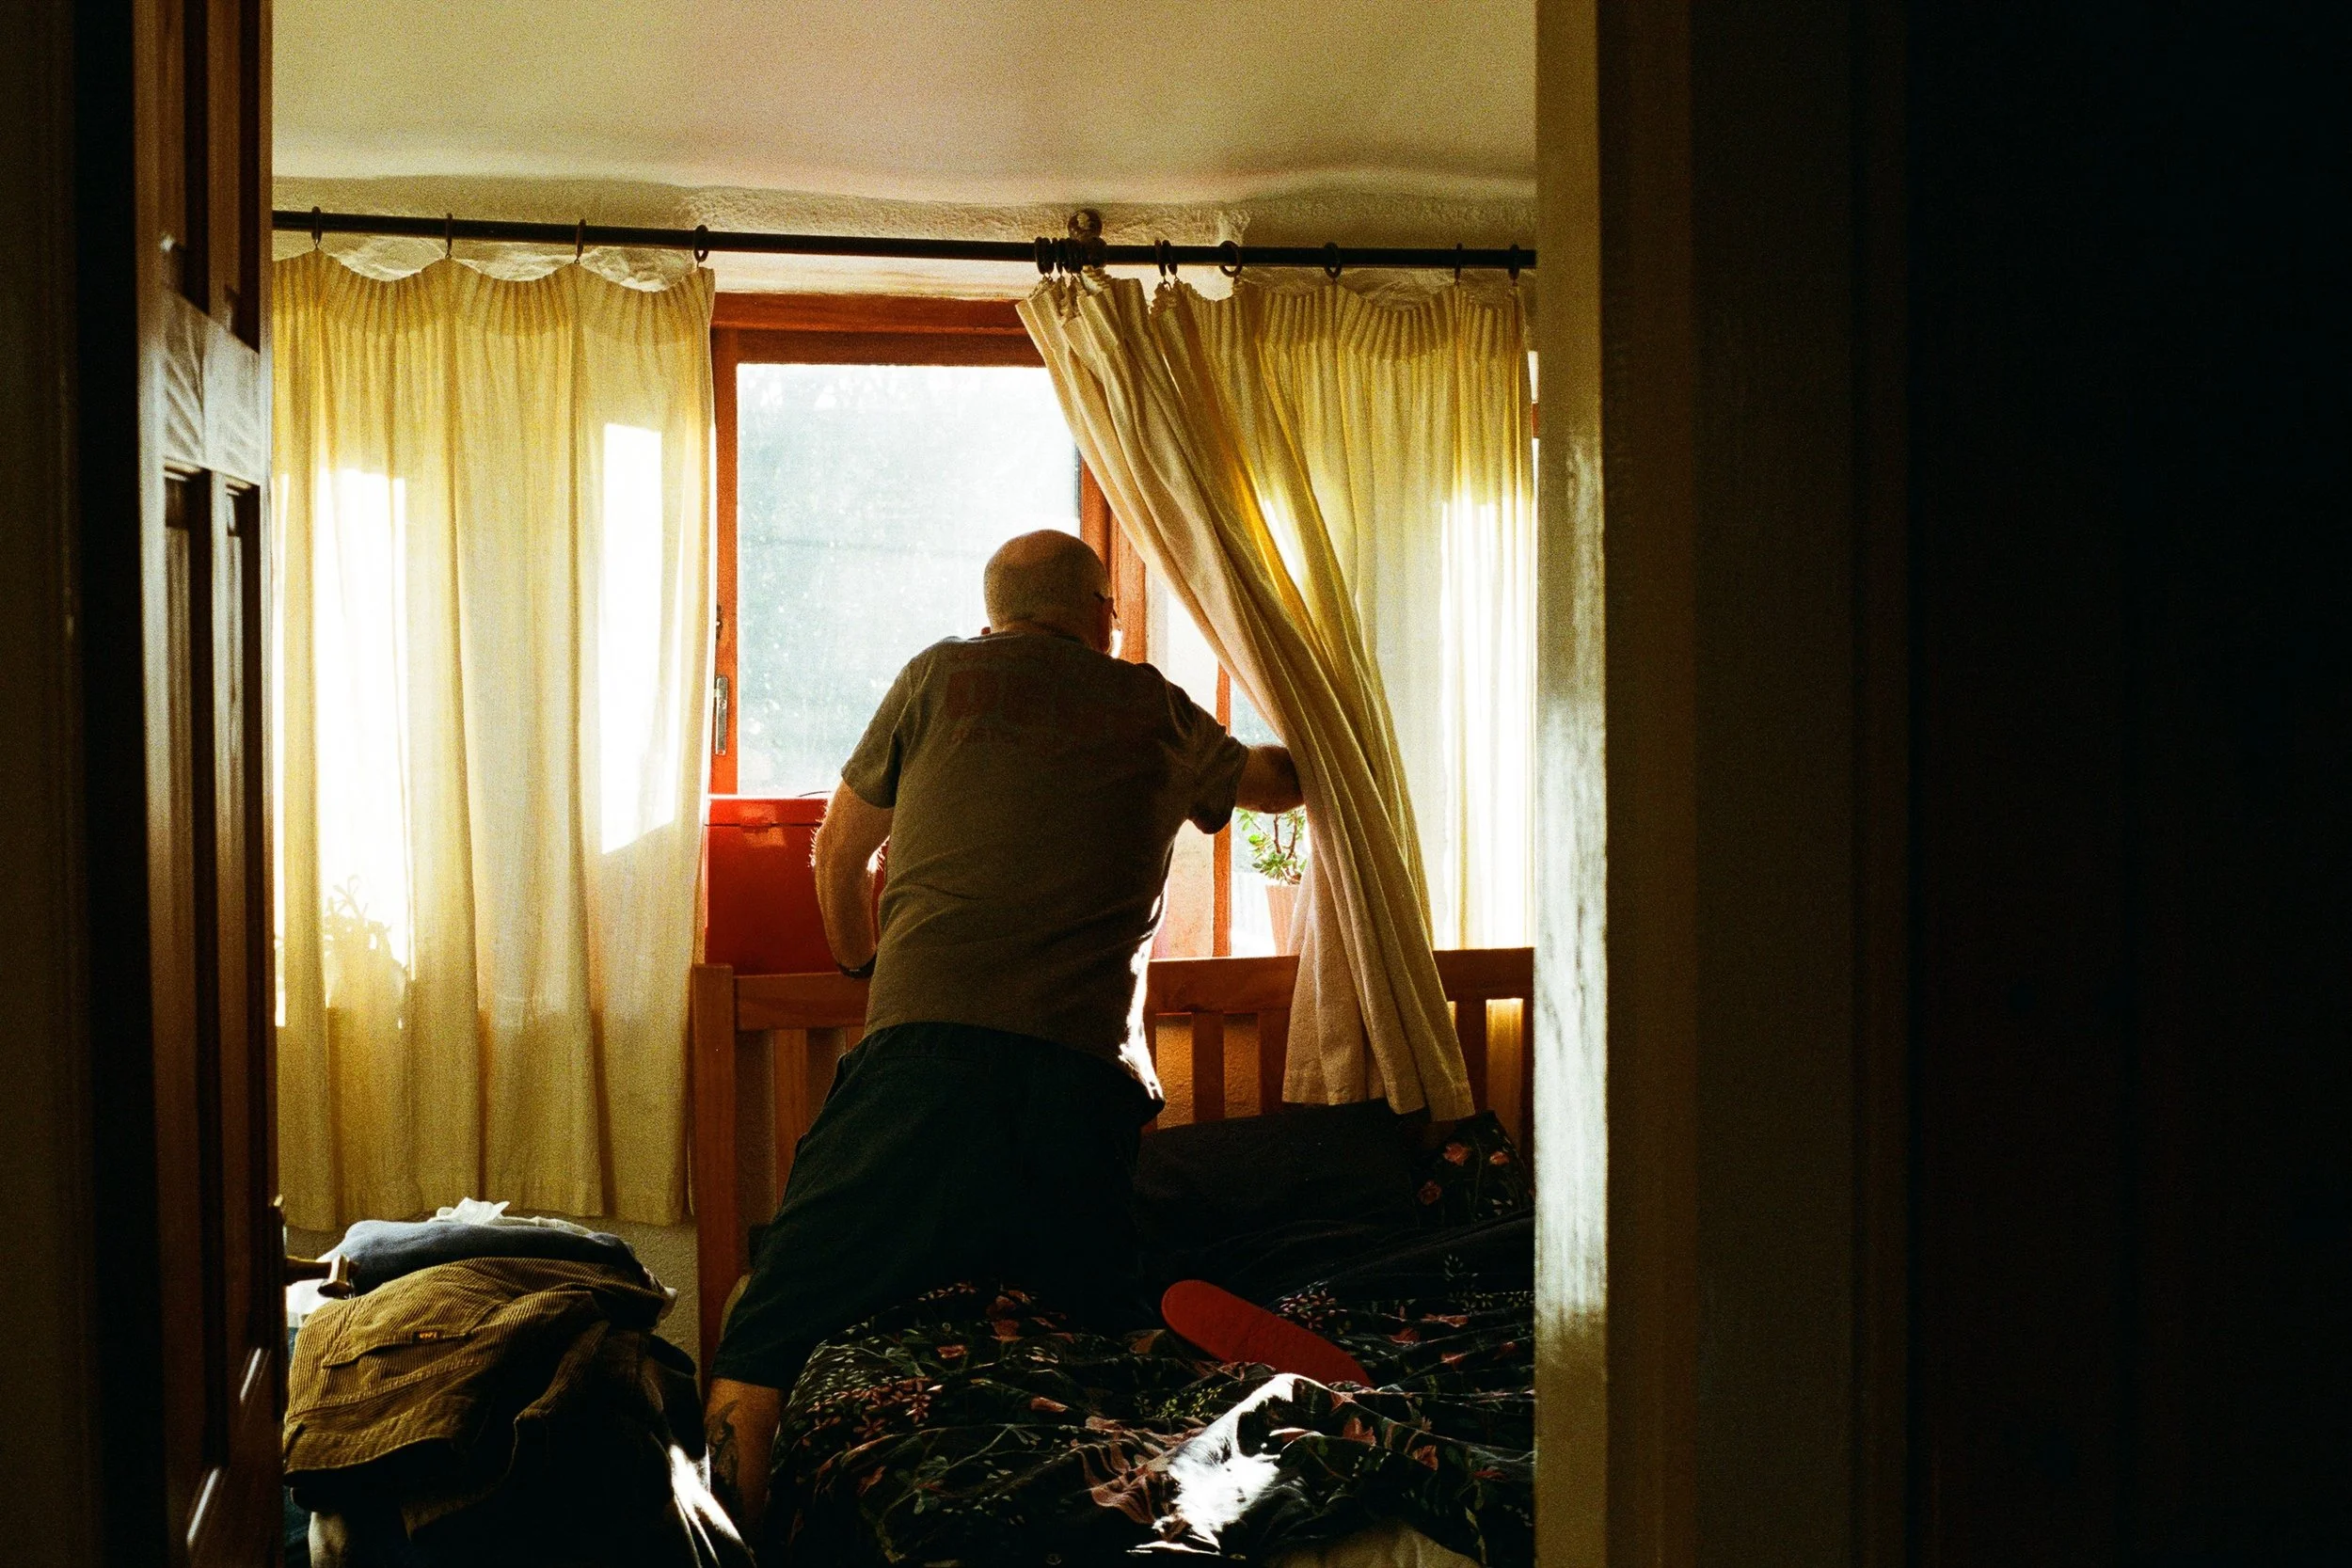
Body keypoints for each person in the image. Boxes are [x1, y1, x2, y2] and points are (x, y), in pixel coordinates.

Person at [702, 530, 1303, 1534]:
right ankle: (1166, 1434)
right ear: (1103, 615)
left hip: (926, 1063)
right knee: (1092, 1316)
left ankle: (733, 1543)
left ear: (994, 614)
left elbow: (838, 852)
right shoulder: (1152, 703)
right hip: (1085, 1082)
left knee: (764, 1323)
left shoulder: (940, 674)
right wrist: (1333, 726)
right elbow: (1275, 783)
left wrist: (866, 969)